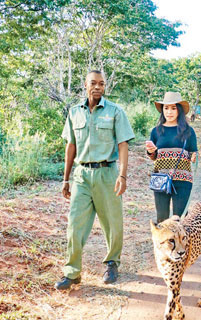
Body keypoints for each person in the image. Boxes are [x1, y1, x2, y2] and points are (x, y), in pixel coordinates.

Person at [55, 70, 135, 290]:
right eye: (93, 83)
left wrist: (122, 174)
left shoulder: (115, 112)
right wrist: (66, 178)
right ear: (85, 85)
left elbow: (123, 144)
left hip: (107, 173)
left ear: (105, 86)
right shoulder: (74, 113)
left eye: (101, 83)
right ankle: (72, 272)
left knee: (112, 223)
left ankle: (112, 263)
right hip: (81, 176)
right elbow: (70, 146)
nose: (97, 87)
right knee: (74, 224)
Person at [146, 91, 198, 224]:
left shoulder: (188, 131)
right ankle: (163, 245)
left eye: (173, 108)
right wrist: (151, 151)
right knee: (162, 219)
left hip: (183, 180)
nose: (169, 112)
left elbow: (194, 153)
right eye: (166, 108)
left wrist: (194, 157)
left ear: (179, 110)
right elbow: (154, 156)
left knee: (180, 220)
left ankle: (182, 245)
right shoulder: (156, 131)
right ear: (162, 110)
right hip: (160, 179)